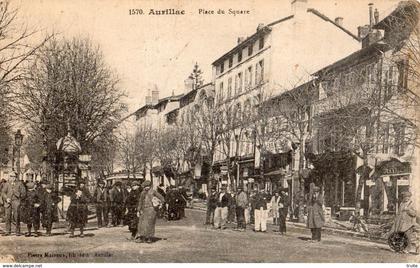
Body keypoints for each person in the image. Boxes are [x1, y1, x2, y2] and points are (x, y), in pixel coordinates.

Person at [1, 172, 26, 236]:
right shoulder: (6, 184)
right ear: (9, 177)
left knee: (17, 216)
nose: (12, 178)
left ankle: (17, 231)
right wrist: (6, 198)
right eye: (11, 176)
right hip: (8, 202)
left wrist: (19, 198)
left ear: (16, 177)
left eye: (14, 176)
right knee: (7, 216)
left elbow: (24, 192)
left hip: (16, 201)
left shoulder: (20, 184)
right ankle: (7, 231)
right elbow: (3, 192)